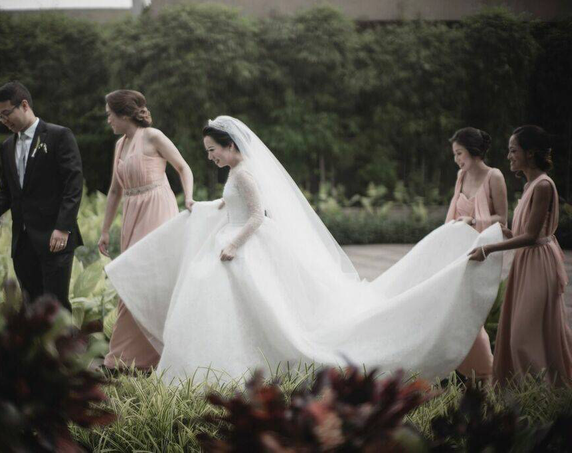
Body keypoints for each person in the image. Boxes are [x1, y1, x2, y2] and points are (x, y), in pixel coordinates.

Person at [105, 116, 504, 384]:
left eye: (213, 150)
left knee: (258, 308)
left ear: (229, 146)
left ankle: (237, 368)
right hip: (232, 236)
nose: (210, 157)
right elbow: (233, 206)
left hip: (245, 243)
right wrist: (205, 208)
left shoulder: (244, 173)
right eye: (208, 152)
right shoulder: (235, 173)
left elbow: (257, 216)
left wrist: (233, 245)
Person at [468, 125, 571, 387]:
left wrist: (488, 249)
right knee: (518, 328)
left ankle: (542, 389)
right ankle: (530, 389)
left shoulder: (543, 186)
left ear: (530, 152)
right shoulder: (529, 185)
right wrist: (505, 231)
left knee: (523, 334)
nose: (509, 156)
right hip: (526, 261)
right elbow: (523, 232)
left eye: (514, 150)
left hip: (538, 263)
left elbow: (532, 236)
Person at [99, 90, 194, 371]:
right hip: (132, 213)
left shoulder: (153, 137)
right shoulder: (120, 145)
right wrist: (105, 230)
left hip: (157, 210)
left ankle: (160, 356)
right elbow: (115, 190)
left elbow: (182, 167)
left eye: (110, 115)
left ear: (125, 115)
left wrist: (188, 197)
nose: (108, 121)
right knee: (130, 283)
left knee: (151, 280)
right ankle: (126, 358)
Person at [0, 81, 83, 310]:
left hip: (54, 237)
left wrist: (63, 227)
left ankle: (64, 347)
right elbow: (8, 190)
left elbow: (74, 184)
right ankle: (38, 347)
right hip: (22, 242)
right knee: (32, 307)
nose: (4, 121)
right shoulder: (7, 146)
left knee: (56, 306)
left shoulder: (59, 136)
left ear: (24, 105)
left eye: (6, 113)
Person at [445, 127, 508, 382]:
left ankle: (484, 371)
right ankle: (460, 368)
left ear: (473, 151)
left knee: (472, 313)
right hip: (458, 253)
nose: (457, 159)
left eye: (459, 153)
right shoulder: (461, 176)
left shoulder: (495, 176)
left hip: (483, 253)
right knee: (454, 309)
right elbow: (450, 216)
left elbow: (503, 219)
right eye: (455, 154)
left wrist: (473, 222)